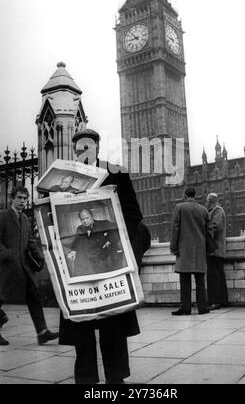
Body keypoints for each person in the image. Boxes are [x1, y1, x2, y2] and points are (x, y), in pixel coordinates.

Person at [59, 128, 150, 384]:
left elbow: (134, 215)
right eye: (78, 150)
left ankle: (116, 378)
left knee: (114, 326)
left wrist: (118, 240)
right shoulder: (65, 178)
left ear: (97, 148)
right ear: (74, 151)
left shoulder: (116, 173)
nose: (83, 153)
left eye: (88, 148)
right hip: (81, 267)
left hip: (110, 262)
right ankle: (86, 379)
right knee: (82, 328)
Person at [0, 186, 59, 346]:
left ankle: (42, 332)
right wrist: (7, 254)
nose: (22, 201)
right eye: (19, 198)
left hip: (24, 267)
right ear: (12, 198)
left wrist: (39, 256)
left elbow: (30, 241)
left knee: (33, 296)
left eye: (25, 199)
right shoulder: (3, 216)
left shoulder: (25, 219)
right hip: (5, 267)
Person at [170, 186, 213, 315]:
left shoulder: (179, 208)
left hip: (184, 249)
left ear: (185, 195)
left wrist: (174, 246)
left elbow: (175, 228)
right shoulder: (204, 210)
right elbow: (210, 230)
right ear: (195, 195)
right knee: (200, 280)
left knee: (185, 279)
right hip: (200, 248)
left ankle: (186, 308)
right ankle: (202, 308)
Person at [66, 208, 125, 276]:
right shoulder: (80, 228)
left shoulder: (104, 223)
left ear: (92, 216)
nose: (85, 221)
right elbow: (77, 241)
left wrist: (110, 241)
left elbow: (117, 230)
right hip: (92, 260)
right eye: (82, 219)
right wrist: (73, 251)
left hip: (107, 256)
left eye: (87, 218)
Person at [206, 192, 228, 310]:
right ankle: (221, 301)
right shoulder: (215, 211)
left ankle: (216, 301)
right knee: (217, 275)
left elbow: (215, 227)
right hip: (214, 250)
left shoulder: (217, 211)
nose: (206, 203)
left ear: (211, 201)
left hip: (215, 249)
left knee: (215, 276)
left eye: (207, 201)